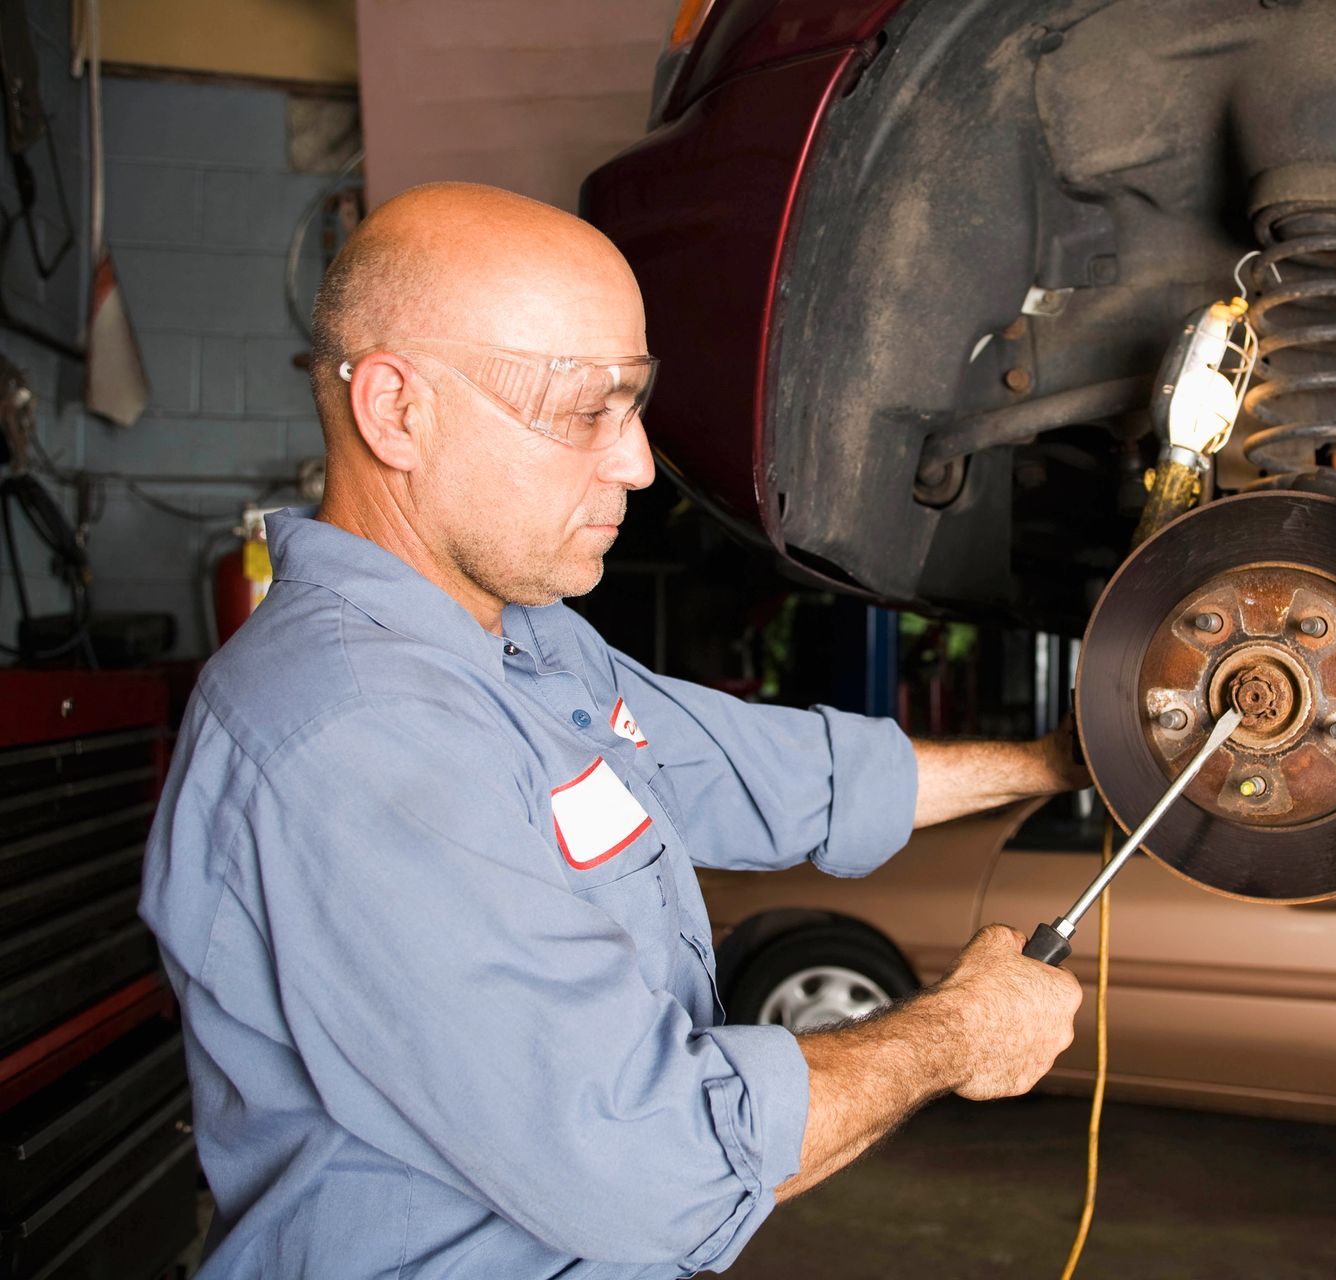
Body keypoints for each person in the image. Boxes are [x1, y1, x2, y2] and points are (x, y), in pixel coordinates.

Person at [140, 182, 1085, 1279]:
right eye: (587, 407)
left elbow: (753, 770)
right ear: (397, 409)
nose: (636, 463)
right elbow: (657, 1166)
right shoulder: (359, 738)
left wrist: (1066, 757)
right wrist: (956, 1033)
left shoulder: (524, 643)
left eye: (636, 404)